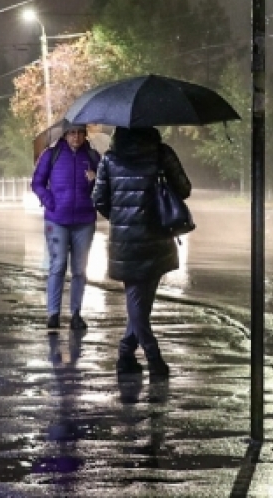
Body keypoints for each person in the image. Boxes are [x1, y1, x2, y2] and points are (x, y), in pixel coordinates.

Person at [92, 126, 191, 377]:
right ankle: (153, 356)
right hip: (157, 235)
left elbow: (98, 198)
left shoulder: (110, 159)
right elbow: (184, 189)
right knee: (141, 301)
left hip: (125, 240)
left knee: (139, 302)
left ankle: (126, 354)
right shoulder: (161, 154)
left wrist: (121, 219)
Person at [31, 123, 101, 331]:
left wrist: (94, 180)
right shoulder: (51, 155)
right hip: (57, 219)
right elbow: (37, 183)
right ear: (65, 135)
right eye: (72, 133)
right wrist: (50, 202)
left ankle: (76, 314)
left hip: (84, 221)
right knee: (58, 266)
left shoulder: (93, 157)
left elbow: (104, 188)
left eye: (80, 133)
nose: (76, 137)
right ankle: (53, 313)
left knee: (79, 269)